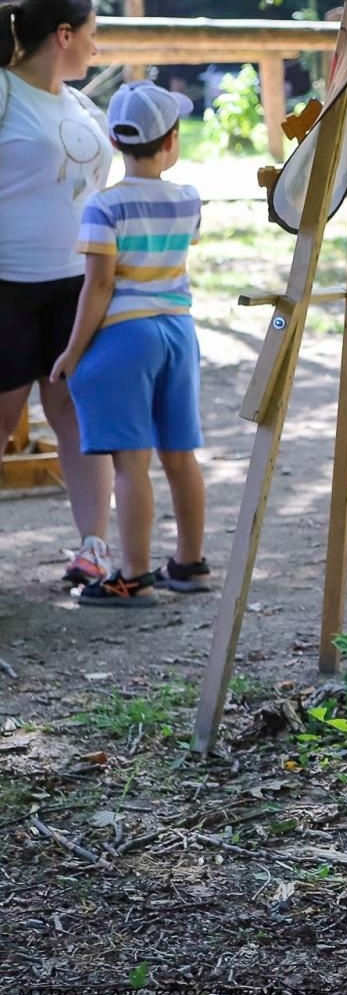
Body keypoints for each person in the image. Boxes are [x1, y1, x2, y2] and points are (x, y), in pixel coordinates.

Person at [50, 80, 209, 607]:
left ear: (115, 143)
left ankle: (134, 575)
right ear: (171, 141)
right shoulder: (188, 200)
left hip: (126, 335)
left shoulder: (105, 207)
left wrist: (73, 352)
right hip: (178, 332)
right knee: (180, 455)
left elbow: (98, 285)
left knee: (131, 463)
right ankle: (188, 563)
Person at [0, 0, 115, 585]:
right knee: (5, 413)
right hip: (8, 287)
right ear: (64, 35)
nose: (99, 46)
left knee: (76, 408)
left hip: (77, 284)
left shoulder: (79, 104)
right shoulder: (4, 92)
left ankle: (94, 547)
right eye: (93, 33)